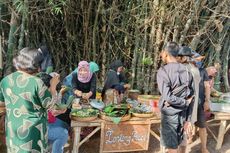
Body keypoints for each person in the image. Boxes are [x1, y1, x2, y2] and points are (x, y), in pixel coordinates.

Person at [0, 47, 59, 152]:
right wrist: (53, 86)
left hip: (13, 130)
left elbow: (2, 102)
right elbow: (49, 105)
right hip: (33, 131)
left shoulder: (5, 80)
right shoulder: (37, 82)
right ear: (35, 65)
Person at [157, 42, 194, 153]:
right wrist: (188, 119)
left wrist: (184, 102)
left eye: (162, 53)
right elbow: (191, 97)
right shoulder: (188, 71)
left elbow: (168, 97)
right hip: (183, 115)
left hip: (170, 116)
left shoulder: (163, 71)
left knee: (172, 149)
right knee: (178, 144)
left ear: (166, 53)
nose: (161, 55)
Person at [176, 46, 201, 153]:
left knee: (179, 139)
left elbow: (184, 93)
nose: (177, 58)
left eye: (179, 56)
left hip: (183, 109)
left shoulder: (184, 70)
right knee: (184, 139)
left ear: (183, 57)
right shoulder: (195, 69)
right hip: (191, 109)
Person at [39, 72, 69, 153]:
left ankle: (49, 149)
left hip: (44, 124)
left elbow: (48, 113)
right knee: (63, 134)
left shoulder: (44, 94)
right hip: (37, 128)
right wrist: (55, 113)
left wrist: (57, 112)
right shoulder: (42, 95)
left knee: (64, 126)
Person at [192, 52, 211, 153]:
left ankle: (204, 148)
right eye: (197, 59)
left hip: (200, 102)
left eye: (200, 60)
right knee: (187, 125)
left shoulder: (203, 71)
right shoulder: (186, 70)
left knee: (202, 126)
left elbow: (207, 86)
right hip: (188, 103)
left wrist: (207, 101)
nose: (199, 61)